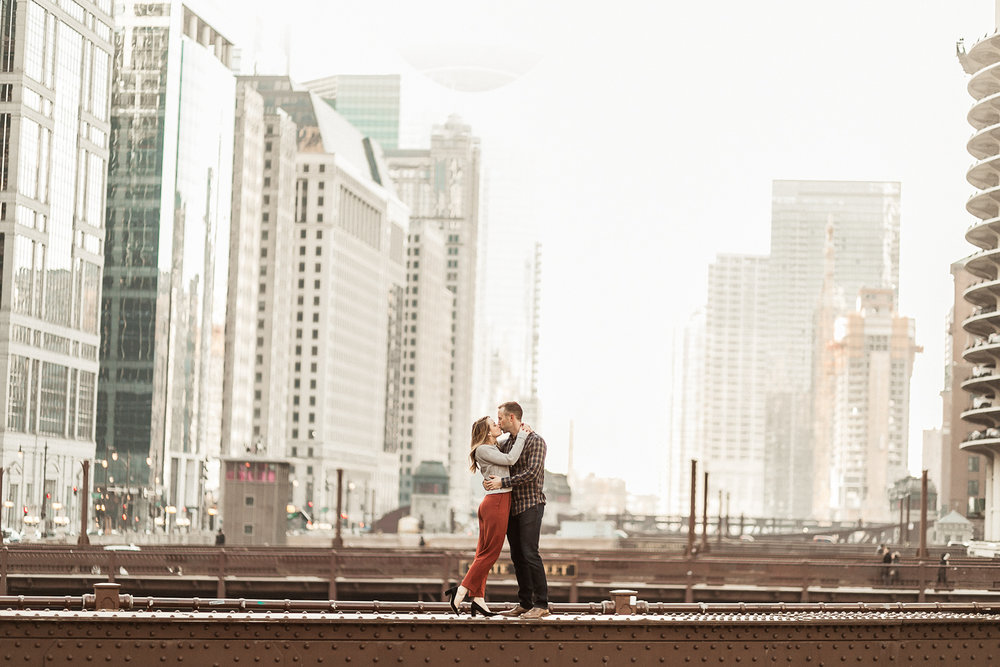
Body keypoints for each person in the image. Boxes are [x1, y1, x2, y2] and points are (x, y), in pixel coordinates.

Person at [446, 416, 529, 617]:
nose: (498, 425)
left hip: (493, 503)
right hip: (497, 503)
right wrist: (523, 436)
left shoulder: (493, 447)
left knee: (482, 554)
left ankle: (478, 599)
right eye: (494, 424)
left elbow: (504, 447)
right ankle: (461, 591)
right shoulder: (483, 449)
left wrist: (514, 430)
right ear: (486, 432)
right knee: (490, 554)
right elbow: (511, 459)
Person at [484, 401, 550, 619]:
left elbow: (531, 473)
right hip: (511, 507)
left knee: (530, 553)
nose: (499, 421)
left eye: (500, 417)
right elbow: (492, 456)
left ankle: (541, 604)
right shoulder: (505, 443)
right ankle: (525, 603)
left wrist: (502, 482)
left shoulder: (536, 441)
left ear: (512, 417)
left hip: (531, 504)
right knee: (517, 556)